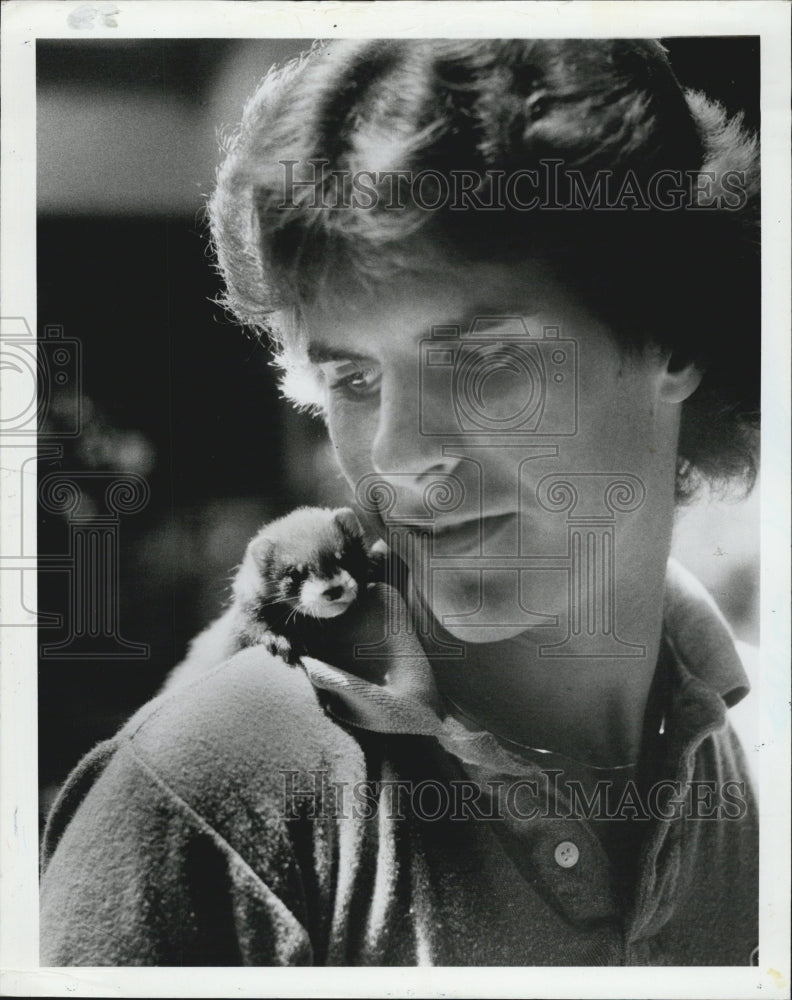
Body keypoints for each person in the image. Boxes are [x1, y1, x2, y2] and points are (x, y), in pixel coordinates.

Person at [39, 38, 760, 966]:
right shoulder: (214, 797)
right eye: (352, 377)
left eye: (486, 360)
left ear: (675, 336)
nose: (398, 454)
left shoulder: (758, 745)